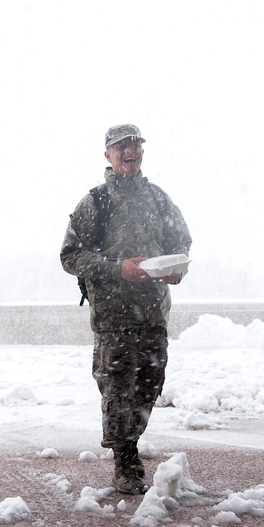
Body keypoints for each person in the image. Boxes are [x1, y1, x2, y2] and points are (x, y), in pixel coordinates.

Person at [60, 124, 192, 495]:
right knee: (117, 389)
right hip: (113, 317)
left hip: (152, 313)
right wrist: (119, 268)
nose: (128, 151)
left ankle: (131, 442)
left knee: (149, 386)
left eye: (134, 144)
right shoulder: (95, 202)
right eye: (120, 146)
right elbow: (70, 256)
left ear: (142, 152)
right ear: (108, 155)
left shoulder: (159, 199)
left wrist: (176, 265)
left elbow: (180, 239)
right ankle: (125, 459)